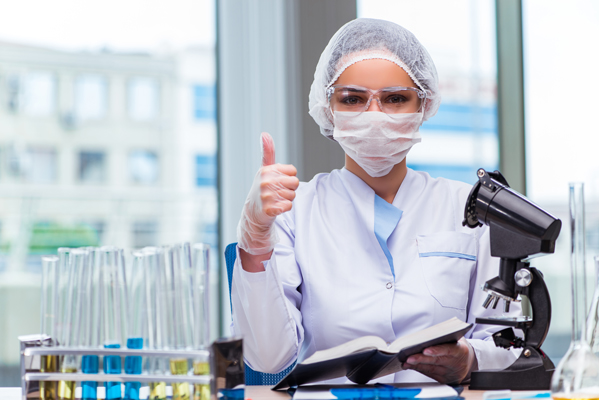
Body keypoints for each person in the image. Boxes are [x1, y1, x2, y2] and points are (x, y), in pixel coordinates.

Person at [231, 18, 521, 385]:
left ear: (424, 104)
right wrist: (256, 238)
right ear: (327, 107)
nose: (374, 116)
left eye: (395, 98)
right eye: (352, 99)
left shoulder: (467, 207)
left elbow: (508, 345)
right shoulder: (295, 211)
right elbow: (268, 358)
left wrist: (470, 360)